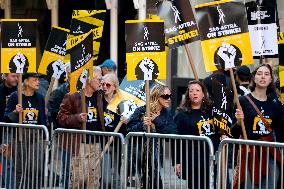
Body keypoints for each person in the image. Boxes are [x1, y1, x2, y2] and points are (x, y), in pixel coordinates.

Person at [233, 64, 284, 188]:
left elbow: (281, 130)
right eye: (259, 73)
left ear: (271, 79)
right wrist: (239, 123)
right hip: (249, 153)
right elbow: (233, 132)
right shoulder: (243, 102)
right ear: (254, 78)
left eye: (267, 74)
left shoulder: (275, 105)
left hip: (270, 154)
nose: (263, 77)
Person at [57, 67, 104, 189]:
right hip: (79, 143)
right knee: (78, 177)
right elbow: (61, 118)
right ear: (89, 80)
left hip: (95, 142)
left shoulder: (100, 96)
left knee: (93, 179)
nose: (101, 82)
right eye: (99, 79)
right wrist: (77, 118)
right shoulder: (72, 96)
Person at [127, 84, 177, 189]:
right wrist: (142, 124)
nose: (168, 99)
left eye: (170, 96)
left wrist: (157, 121)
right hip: (140, 153)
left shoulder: (166, 113)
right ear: (156, 96)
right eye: (165, 96)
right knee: (144, 182)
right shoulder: (141, 110)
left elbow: (172, 132)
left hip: (156, 153)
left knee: (156, 181)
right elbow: (130, 130)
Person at [4, 73, 46, 188]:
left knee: (36, 169)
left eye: (38, 80)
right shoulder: (15, 96)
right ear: (26, 81)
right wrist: (15, 112)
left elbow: (42, 120)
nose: (38, 82)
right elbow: (6, 118)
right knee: (20, 170)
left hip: (36, 137)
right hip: (19, 137)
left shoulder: (40, 98)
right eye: (35, 80)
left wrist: (45, 139)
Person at [174, 80, 217, 189]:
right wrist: (178, 162)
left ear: (203, 94)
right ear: (188, 94)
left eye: (198, 90)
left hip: (212, 158)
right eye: (191, 91)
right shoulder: (182, 115)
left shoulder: (212, 111)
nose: (194, 93)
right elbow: (179, 140)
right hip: (193, 161)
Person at [0, 73, 17, 189]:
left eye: (17, 76)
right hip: (3, 130)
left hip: (12, 131)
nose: (16, 78)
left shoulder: (20, 91)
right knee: (6, 163)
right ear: (5, 76)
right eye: (13, 76)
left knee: (8, 163)